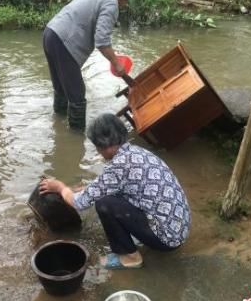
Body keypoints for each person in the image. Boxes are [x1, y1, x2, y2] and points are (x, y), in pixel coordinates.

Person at [39, 113, 191, 269]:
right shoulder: (136, 152)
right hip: (178, 228)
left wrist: (60, 188)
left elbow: (79, 203)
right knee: (107, 195)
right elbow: (117, 183)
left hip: (167, 239)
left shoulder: (118, 166)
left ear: (106, 145)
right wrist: (86, 188)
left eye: (98, 148)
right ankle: (140, 236)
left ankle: (130, 257)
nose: (99, 152)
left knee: (104, 203)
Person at [43, 0, 137, 130]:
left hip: (50, 34)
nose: (125, 3)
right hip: (64, 42)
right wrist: (116, 63)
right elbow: (102, 41)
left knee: (61, 89)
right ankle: (76, 141)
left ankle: (58, 127)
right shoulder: (111, 2)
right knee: (77, 97)